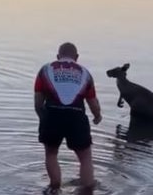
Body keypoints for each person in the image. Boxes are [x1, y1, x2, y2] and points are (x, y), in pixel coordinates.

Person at [34, 42, 102, 195]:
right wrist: (97, 116)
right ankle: (87, 189)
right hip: (76, 116)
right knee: (85, 157)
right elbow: (93, 102)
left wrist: (43, 119)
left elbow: (38, 102)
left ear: (57, 57)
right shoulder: (85, 74)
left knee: (51, 154)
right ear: (77, 57)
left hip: (52, 115)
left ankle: (54, 187)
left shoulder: (45, 70)